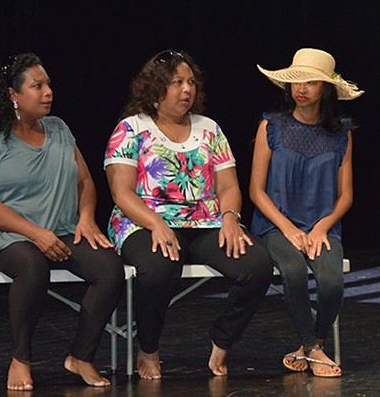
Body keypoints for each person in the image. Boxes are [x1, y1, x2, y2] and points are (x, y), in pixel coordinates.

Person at [104, 49, 273, 379]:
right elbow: (121, 192)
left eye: (191, 82)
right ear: (156, 88)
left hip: (205, 220)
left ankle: (222, 340)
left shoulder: (209, 129)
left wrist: (229, 218)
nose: (187, 90)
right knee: (159, 266)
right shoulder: (131, 129)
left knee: (257, 265)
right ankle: (148, 348)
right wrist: (156, 224)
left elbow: (228, 186)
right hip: (143, 220)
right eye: (177, 82)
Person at [0, 53, 124, 391]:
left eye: (48, 84)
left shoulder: (59, 129)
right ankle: (21, 358)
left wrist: (86, 218)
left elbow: (85, 183)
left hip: (62, 231)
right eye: (38, 86)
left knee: (109, 268)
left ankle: (81, 356)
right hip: (6, 237)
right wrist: (35, 233)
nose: (48, 91)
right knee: (33, 265)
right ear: (12, 95)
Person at [249, 48, 364, 378]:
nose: (301, 88)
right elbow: (256, 190)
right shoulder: (271, 126)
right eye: (296, 81)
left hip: (322, 227)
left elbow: (346, 196)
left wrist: (322, 227)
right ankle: (314, 350)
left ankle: (310, 347)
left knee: (331, 283)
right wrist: (287, 228)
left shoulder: (341, 132)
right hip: (275, 225)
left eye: (311, 82)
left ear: (325, 89)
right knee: (294, 271)